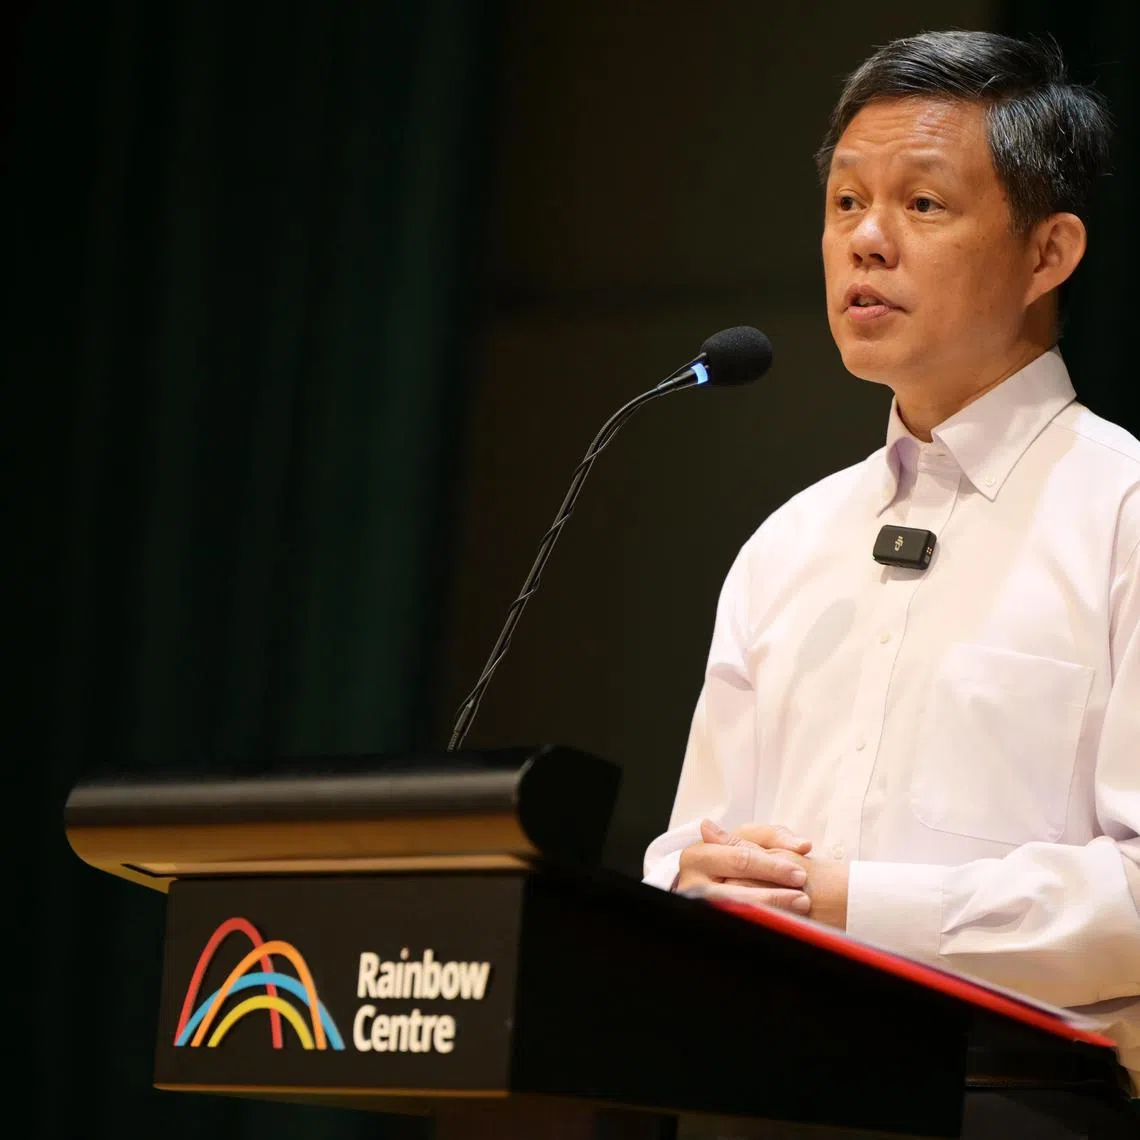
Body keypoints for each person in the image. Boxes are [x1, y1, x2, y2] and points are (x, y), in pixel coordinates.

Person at [643, 30, 1140, 1137]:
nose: (867, 239)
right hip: (750, 1094)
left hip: (1015, 1102)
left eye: (922, 204)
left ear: (1048, 252)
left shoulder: (1123, 515)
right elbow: (688, 850)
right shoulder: (788, 543)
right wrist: (691, 882)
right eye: (846, 203)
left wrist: (849, 904)